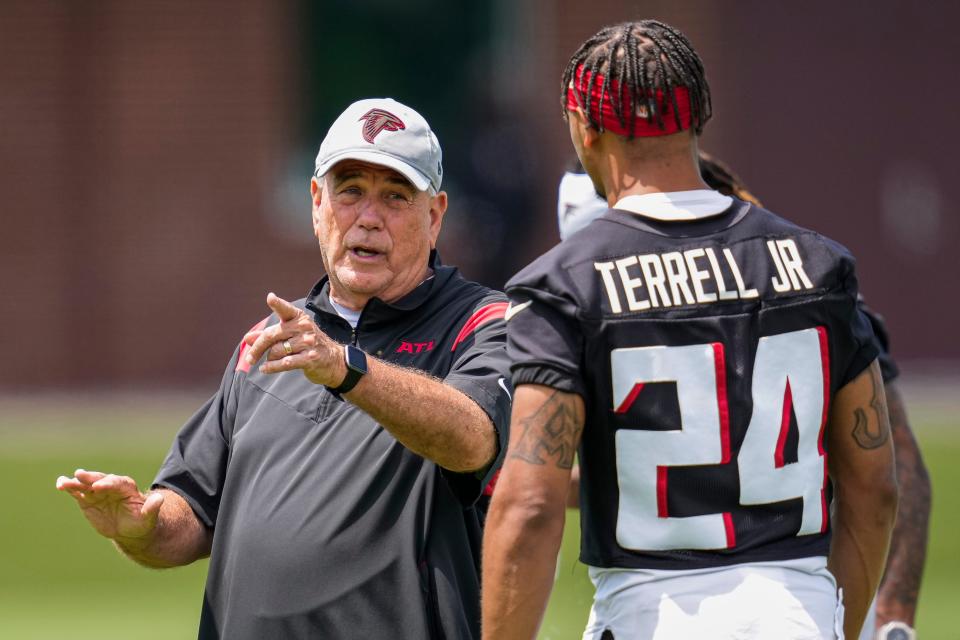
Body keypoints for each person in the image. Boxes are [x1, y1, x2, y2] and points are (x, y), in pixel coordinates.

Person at [482, 20, 898, 640]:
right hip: (798, 615)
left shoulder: (566, 283)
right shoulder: (819, 266)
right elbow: (875, 488)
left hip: (647, 616)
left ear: (584, 128)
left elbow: (533, 506)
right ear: (699, 117)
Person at [57, 97, 513, 639]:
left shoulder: (483, 322)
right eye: (350, 192)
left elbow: (473, 439)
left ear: (434, 216)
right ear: (317, 202)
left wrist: (346, 368)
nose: (369, 217)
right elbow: (193, 512)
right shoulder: (269, 340)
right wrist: (140, 527)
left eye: (394, 197)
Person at [557, 153, 931, 640]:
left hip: (670, 609)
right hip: (800, 610)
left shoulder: (814, 298)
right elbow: (887, 475)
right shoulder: (812, 284)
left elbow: (891, 474)